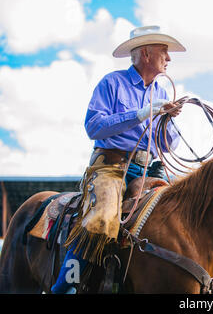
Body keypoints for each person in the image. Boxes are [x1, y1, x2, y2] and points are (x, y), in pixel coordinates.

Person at [51, 25, 186, 294]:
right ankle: (65, 288)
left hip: (148, 168)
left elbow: (168, 145)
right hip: (111, 167)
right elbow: (94, 127)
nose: (169, 59)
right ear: (146, 54)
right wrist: (140, 114)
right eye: (164, 52)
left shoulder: (161, 92)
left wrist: (168, 122)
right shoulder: (111, 83)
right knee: (102, 219)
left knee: (181, 209)